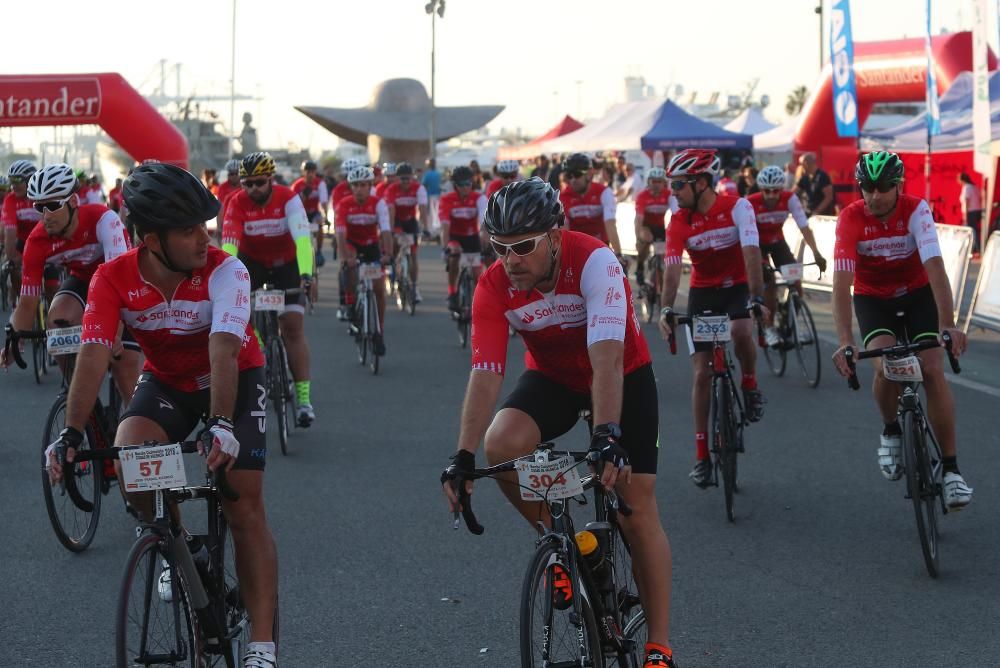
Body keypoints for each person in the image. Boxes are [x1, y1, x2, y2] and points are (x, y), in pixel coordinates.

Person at [43, 163, 279, 668]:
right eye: (189, 229)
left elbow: (223, 346)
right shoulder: (113, 277)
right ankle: (178, 545)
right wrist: (70, 433)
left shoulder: (225, 269)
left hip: (234, 378)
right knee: (132, 453)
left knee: (242, 501)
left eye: (205, 225)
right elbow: (92, 353)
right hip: (169, 382)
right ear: (151, 239)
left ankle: (262, 644)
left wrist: (220, 423)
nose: (204, 237)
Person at [441, 177, 676, 668]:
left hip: (622, 375)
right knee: (500, 444)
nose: (510, 259)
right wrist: (461, 457)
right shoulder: (494, 285)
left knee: (636, 502)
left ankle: (659, 646)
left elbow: (608, 359)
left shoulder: (595, 262)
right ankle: (566, 545)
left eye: (523, 246)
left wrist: (607, 434)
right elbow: (485, 375)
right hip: (554, 380)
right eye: (499, 247)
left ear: (554, 235)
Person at [830, 151, 972, 509]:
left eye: (883, 188)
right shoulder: (850, 218)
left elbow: (936, 266)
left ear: (898, 186)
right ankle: (891, 428)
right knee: (887, 367)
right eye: (867, 188)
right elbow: (841, 284)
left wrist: (948, 325)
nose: (874, 196)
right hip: (873, 299)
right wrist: (845, 341)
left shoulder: (916, 209)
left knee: (933, 370)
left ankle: (952, 471)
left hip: (917, 294)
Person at [656, 148, 768, 487]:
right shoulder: (677, 220)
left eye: (678, 185)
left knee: (741, 331)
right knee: (701, 374)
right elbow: (673, 268)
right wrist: (665, 308)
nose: (673, 192)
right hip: (703, 293)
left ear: (702, 183)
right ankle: (702, 455)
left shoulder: (737, 207)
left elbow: (752, 252)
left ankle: (749, 382)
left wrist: (756, 298)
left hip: (737, 287)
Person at [1, 162, 141, 403]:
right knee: (57, 320)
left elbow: (118, 285)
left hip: (122, 286)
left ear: (74, 202)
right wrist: (15, 339)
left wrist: (113, 335)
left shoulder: (104, 220)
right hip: (83, 280)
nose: (45, 215)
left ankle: (134, 428)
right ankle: (78, 389)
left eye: (53, 205)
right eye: (39, 207)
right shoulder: (37, 241)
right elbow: (26, 304)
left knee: (124, 370)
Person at [221, 151, 316, 427]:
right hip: (253, 264)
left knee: (292, 327)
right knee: (242, 312)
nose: (253, 189)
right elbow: (229, 246)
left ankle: (304, 400)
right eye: (247, 183)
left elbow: (302, 240)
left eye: (259, 183)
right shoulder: (236, 202)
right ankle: (260, 347)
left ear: (271, 179)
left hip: (287, 263)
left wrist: (306, 275)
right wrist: (229, 281)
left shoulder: (288, 198)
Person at [747, 165, 827, 346]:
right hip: (757, 244)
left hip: (777, 242)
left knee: (796, 283)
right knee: (770, 284)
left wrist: (816, 253)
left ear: (781, 189)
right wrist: (757, 262)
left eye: (776, 190)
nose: (771, 195)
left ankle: (788, 316)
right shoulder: (751, 202)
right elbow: (745, 234)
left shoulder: (789, 198)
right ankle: (768, 328)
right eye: (767, 191)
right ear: (761, 189)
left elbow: (804, 226)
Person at [334, 166, 393, 355]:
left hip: (371, 246)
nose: (360, 189)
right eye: (356, 185)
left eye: (364, 185)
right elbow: (340, 234)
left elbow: (385, 230)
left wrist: (388, 254)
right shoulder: (343, 204)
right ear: (351, 187)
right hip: (351, 245)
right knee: (350, 267)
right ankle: (350, 304)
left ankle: (379, 331)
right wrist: (344, 258)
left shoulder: (378, 204)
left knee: (379, 290)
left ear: (370, 186)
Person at [439, 166, 488, 312]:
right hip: (455, 236)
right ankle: (452, 292)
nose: (465, 187)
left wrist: (485, 244)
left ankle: (477, 303)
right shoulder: (447, 199)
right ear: (455, 185)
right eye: (461, 184)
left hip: (472, 236)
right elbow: (445, 227)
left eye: (468, 183)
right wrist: (445, 248)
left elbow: (483, 224)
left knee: (476, 273)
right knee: (454, 255)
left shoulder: (479, 198)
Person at [559, 153, 623, 256]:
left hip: (601, 247)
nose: (573, 180)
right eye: (569, 176)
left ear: (589, 174)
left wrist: (618, 254)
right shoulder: (563, 197)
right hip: (576, 249)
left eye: (577, 174)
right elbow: (564, 231)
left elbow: (610, 224)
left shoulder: (604, 192)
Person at [384, 162, 429, 303]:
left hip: (410, 222)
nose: (406, 182)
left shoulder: (418, 188)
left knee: (413, 254)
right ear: (398, 179)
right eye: (403, 179)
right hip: (396, 221)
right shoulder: (391, 190)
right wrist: (391, 231)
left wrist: (425, 227)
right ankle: (393, 270)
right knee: (396, 246)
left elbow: (422, 209)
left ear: (412, 178)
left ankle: (414, 287)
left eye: (408, 178)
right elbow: (391, 212)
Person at [1, 160, 42, 303]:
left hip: (46, 240)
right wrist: (10, 258)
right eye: (11, 181)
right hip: (23, 241)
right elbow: (10, 233)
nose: (14, 185)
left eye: (18, 180)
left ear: (30, 180)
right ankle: (18, 301)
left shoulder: (41, 196)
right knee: (13, 269)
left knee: (51, 288)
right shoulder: (10, 200)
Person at [633, 167, 678, 287]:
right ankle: (640, 267)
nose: (656, 185)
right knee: (647, 239)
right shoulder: (642, 196)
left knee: (662, 254)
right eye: (654, 181)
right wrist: (638, 239)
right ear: (648, 182)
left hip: (659, 226)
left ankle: (658, 279)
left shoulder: (669, 194)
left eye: (659, 181)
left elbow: (676, 214)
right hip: (645, 226)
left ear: (664, 183)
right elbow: (639, 219)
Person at [291, 159, 330, 267]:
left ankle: (319, 250)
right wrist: (303, 196)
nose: (310, 174)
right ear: (303, 172)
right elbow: (293, 206)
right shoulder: (296, 186)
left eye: (312, 172)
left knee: (319, 224)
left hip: (314, 212)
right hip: (301, 214)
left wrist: (325, 217)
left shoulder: (320, 183)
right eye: (308, 171)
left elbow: (324, 202)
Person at [958, 172, 983, 256]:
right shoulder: (975, 187)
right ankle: (976, 249)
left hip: (971, 211)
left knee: (971, 231)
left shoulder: (967, 188)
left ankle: (976, 249)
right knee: (974, 230)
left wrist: (965, 215)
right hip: (977, 210)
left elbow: (966, 201)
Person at [422, 158, 442, 237]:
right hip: (438, 196)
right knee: (437, 213)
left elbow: (423, 185)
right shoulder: (438, 174)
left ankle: (431, 231)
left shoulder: (427, 174)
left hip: (430, 196)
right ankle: (437, 231)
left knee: (430, 214)